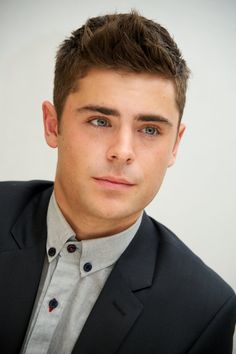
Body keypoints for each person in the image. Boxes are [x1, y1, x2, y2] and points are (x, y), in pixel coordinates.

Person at [0, 11, 235, 354]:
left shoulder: (206, 311)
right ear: (53, 125)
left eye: (150, 130)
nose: (122, 152)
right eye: (99, 121)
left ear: (175, 145)